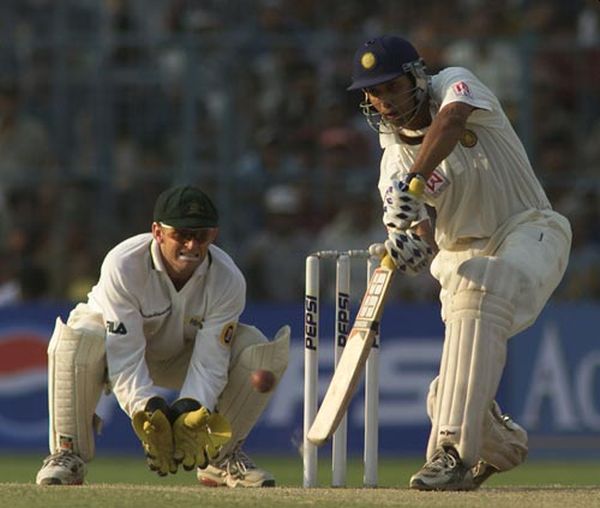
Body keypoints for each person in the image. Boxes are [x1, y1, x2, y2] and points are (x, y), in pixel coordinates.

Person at [346, 35, 571, 490]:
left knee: (483, 284)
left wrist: (412, 187)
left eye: (391, 87)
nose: (382, 101)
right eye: (373, 92)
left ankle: (449, 453)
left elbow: (450, 123)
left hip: (528, 229)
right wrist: (410, 243)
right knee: (445, 394)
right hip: (459, 259)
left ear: (416, 77)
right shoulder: (392, 162)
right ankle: (502, 444)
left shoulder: (455, 84)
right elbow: (422, 235)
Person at [35, 185, 290, 488]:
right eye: (182, 235)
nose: (192, 245)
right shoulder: (124, 263)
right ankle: (67, 454)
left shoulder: (228, 278)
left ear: (214, 234)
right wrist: (146, 409)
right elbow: (124, 351)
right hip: (107, 352)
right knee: (76, 341)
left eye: (202, 236)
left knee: (259, 351)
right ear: (157, 232)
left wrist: (192, 408)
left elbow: (211, 360)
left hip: (180, 355)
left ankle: (220, 460)